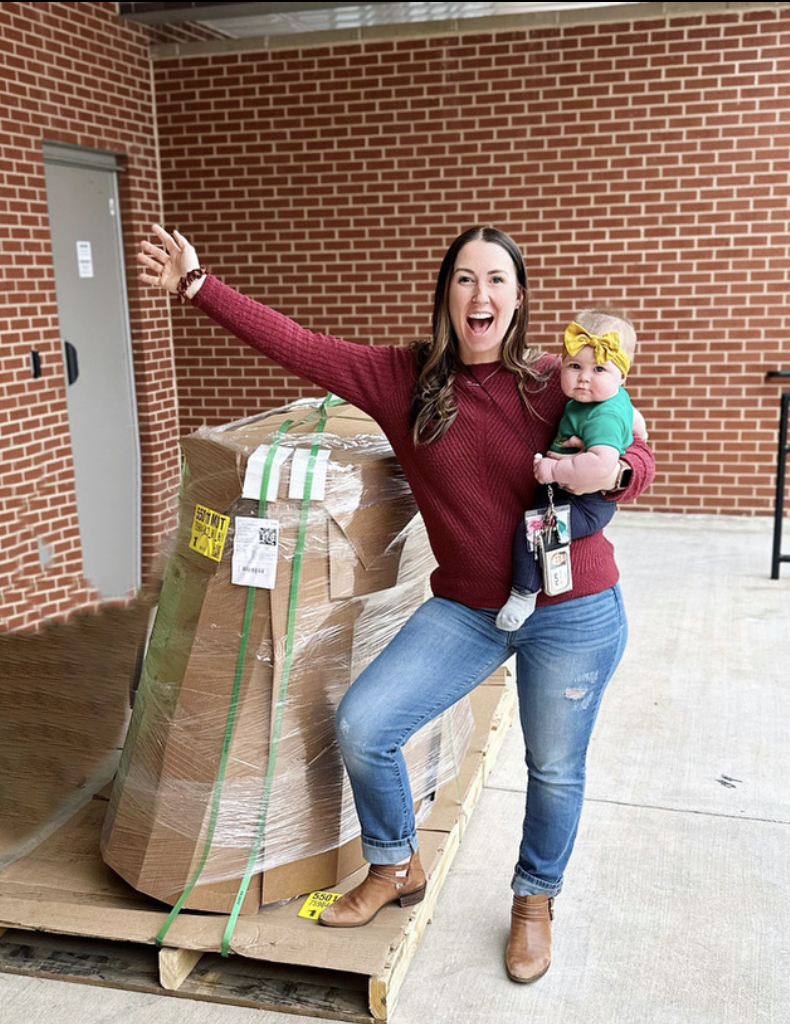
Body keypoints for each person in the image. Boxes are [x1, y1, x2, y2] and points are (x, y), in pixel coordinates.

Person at [138, 224, 655, 984]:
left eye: (498, 280)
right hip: (470, 610)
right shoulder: (400, 379)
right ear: (447, 294)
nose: (482, 294)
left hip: (572, 608)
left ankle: (534, 902)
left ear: (518, 299)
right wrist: (197, 286)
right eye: (467, 279)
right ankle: (394, 865)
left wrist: (614, 475)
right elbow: (297, 344)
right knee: (365, 723)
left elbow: (634, 440)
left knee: (552, 768)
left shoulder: (557, 378)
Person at [496, 310, 648, 631]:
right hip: (572, 497)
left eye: (599, 369)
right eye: (575, 366)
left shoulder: (602, 416)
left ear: (622, 377)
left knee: (533, 534)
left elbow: (603, 465)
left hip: (586, 503)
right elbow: (634, 416)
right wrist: (639, 430)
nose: (584, 377)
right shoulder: (607, 399)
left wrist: (552, 469)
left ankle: (524, 593)